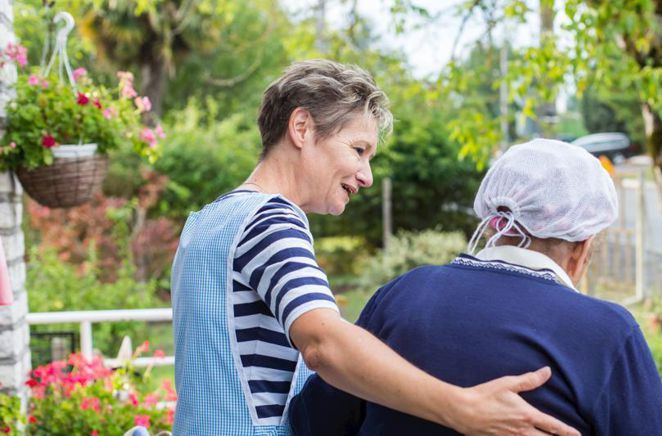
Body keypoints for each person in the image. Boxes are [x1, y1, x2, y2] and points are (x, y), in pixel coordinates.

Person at [170, 60, 578, 435]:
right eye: (358, 150)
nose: (365, 176)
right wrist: (460, 407)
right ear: (301, 128)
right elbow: (323, 344)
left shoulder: (205, 222)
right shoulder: (272, 219)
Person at [287, 139, 662, 435]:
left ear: (493, 222)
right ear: (584, 243)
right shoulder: (607, 332)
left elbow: (313, 421)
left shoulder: (404, 293)